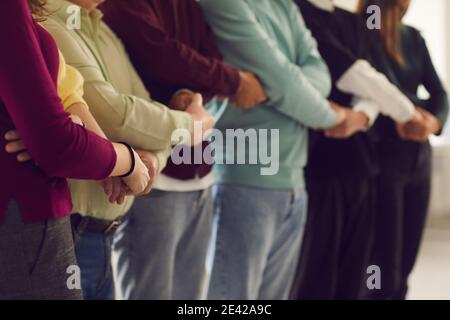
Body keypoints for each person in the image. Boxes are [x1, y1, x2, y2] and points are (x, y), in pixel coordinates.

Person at [6, 0, 214, 300]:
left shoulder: (104, 31)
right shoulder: (47, 20)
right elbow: (113, 115)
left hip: (103, 236)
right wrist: (188, 127)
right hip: (63, 230)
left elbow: (140, 112)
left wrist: (149, 159)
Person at [100, 0, 267, 300]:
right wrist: (229, 80)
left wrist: (196, 88)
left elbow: (209, 59)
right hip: (154, 180)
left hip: (201, 177)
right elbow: (163, 55)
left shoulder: (190, 4)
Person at [198, 0, 350, 300]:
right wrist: (332, 117)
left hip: (294, 183)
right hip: (243, 179)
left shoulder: (285, 5)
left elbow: (320, 74)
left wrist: (282, 86)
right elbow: (285, 79)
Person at [0, 0, 151, 299]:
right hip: (23, 219)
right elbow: (57, 143)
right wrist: (128, 160)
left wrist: (78, 136)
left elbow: (65, 94)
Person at [291, 0, 420, 299]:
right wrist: (407, 111)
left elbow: (374, 81)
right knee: (316, 278)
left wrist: (359, 117)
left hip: (362, 165)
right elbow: (353, 73)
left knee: (353, 278)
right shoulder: (298, 12)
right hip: (319, 168)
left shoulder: (351, 21)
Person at [359, 0, 449, 299]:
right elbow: (381, 89)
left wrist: (432, 121)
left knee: (408, 256)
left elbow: (440, 93)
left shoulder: (413, 37)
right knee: (384, 260)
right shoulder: (363, 32)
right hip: (383, 156)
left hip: (418, 156)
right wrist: (415, 111)